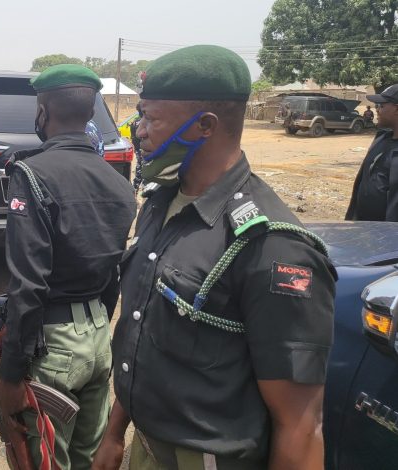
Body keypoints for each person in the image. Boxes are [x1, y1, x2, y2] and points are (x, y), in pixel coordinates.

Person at [92, 45, 337, 470]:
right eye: (139, 116)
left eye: (151, 119)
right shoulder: (161, 201)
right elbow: (141, 333)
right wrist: (115, 434)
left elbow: (301, 424)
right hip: (146, 446)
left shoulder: (273, 246)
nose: (139, 131)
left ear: (204, 126)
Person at [0, 64, 136, 469]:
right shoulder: (119, 182)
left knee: (44, 459)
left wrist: (12, 372)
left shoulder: (32, 173)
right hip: (97, 338)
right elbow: (113, 271)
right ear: (89, 114)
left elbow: (28, 283)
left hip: (53, 346)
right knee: (87, 457)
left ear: (42, 110)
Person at [345, 85, 398, 222]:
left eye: (381, 105)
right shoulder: (381, 138)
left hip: (387, 238)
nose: (377, 109)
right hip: (363, 229)